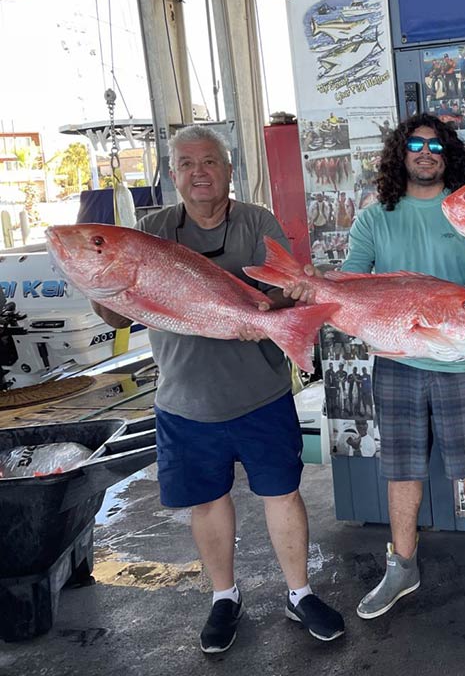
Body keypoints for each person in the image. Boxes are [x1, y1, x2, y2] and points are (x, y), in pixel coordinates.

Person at [90, 126, 345, 653]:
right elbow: (116, 310)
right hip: (185, 399)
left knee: (282, 493)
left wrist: (269, 311)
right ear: (173, 174)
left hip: (260, 394)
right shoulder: (150, 231)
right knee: (207, 503)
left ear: (229, 170)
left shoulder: (256, 221)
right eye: (186, 164)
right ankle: (224, 597)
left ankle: (299, 593)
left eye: (209, 161)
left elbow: (283, 294)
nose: (198, 172)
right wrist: (99, 282)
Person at [337, 113, 465, 619]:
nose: (425, 151)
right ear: (401, 153)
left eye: (435, 145)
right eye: (414, 144)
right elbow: (351, 283)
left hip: (460, 359)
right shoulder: (375, 217)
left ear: (447, 154)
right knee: (401, 470)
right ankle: (402, 565)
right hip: (398, 359)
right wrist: (320, 292)